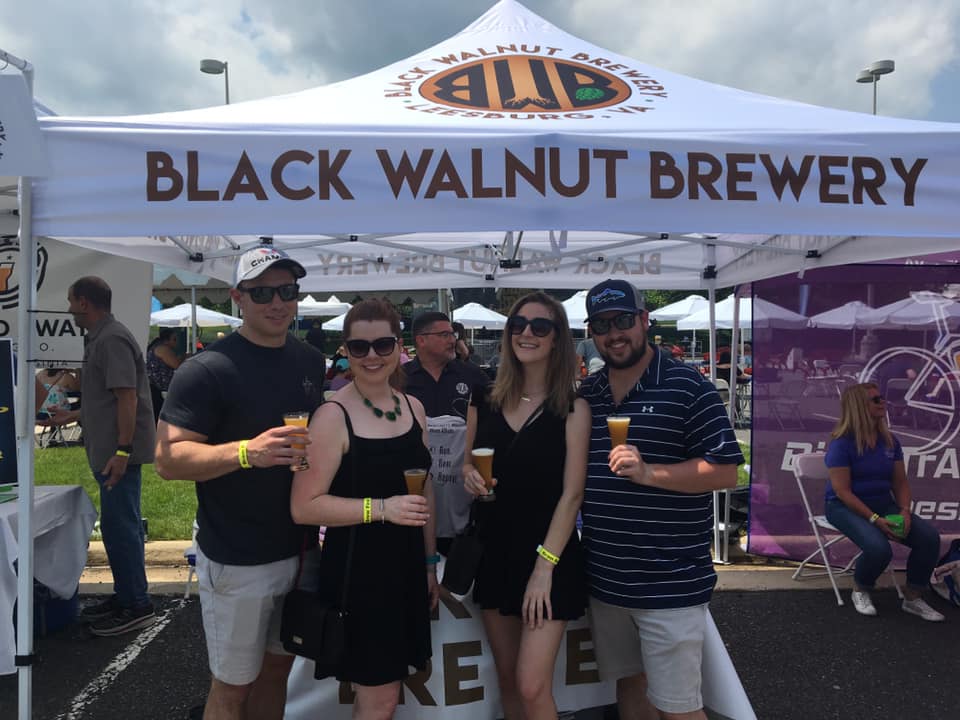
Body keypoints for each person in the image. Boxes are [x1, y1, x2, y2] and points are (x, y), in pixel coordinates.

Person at [154, 247, 326, 720]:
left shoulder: (310, 361)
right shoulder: (207, 369)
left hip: (300, 550)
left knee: (277, 672)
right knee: (232, 688)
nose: (277, 302)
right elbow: (167, 459)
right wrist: (249, 452)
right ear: (238, 299)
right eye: (262, 292)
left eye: (287, 291)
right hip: (237, 555)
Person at [577, 279, 743, 720]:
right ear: (591, 331)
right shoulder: (588, 394)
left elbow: (726, 469)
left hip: (668, 580)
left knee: (679, 708)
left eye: (624, 321)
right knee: (631, 687)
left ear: (644, 321)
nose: (615, 334)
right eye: (603, 324)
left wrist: (651, 473)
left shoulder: (688, 385)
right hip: (606, 578)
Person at [290, 299, 437, 717]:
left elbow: (425, 495)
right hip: (360, 573)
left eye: (382, 344)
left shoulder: (414, 409)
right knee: (379, 697)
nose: (372, 356)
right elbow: (304, 506)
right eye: (359, 348)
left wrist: (428, 563)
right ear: (346, 351)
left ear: (399, 346)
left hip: (406, 568)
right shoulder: (332, 416)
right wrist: (382, 509)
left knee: (385, 694)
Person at [462, 292, 589, 719]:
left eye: (540, 326)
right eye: (518, 325)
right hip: (495, 550)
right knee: (509, 681)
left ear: (558, 339)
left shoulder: (574, 405)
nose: (526, 333)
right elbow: (468, 465)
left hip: (548, 556)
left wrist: (544, 567)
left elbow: (573, 495)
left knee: (533, 686)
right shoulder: (484, 398)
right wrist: (468, 477)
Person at [52, 276, 157, 637]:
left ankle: (137, 604)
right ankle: (127, 595)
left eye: (71, 300)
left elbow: (128, 398)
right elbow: (107, 397)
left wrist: (123, 450)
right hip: (111, 451)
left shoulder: (111, 339)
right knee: (116, 527)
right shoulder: (100, 337)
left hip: (118, 455)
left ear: (84, 302)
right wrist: (73, 416)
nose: (68, 308)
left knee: (121, 527)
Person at [824, 383, 944, 621]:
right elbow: (843, 492)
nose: (883, 402)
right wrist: (874, 519)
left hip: (881, 503)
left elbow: (900, 483)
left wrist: (905, 511)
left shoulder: (889, 441)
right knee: (879, 548)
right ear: (860, 406)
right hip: (843, 506)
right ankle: (861, 588)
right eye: (876, 400)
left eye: (881, 398)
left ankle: (913, 597)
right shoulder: (842, 443)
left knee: (929, 538)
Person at [404, 312, 490, 554]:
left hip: (463, 503)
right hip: (416, 503)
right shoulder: (400, 379)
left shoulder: (472, 376)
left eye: (453, 334)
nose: (452, 339)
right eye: (444, 334)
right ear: (421, 340)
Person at [146, 328, 183, 423]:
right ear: (167, 340)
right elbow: (177, 365)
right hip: (159, 390)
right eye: (174, 339)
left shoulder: (157, 347)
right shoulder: (163, 349)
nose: (176, 342)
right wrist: (185, 358)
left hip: (156, 388)